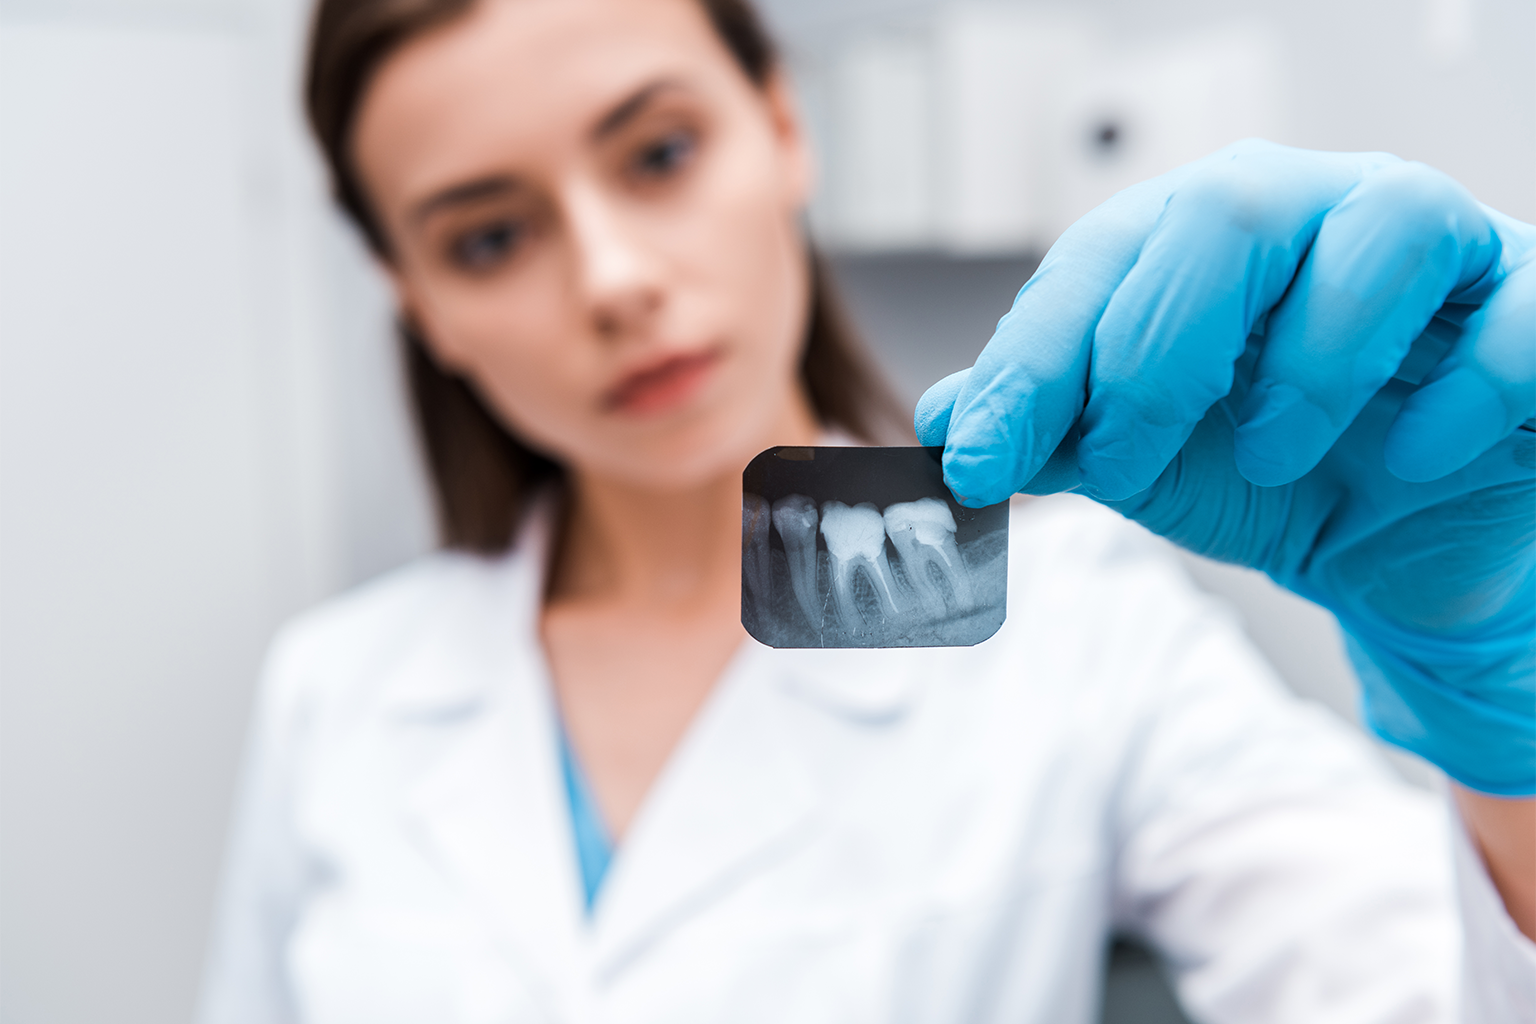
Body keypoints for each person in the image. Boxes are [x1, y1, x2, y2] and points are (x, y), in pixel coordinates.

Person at [197, 0, 1535, 1019]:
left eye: (658, 153)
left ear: (782, 131)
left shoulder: (1075, 626)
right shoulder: (339, 694)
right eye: (488, 238)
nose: (610, 279)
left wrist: (1514, 750)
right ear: (419, 302)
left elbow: (1413, 980)